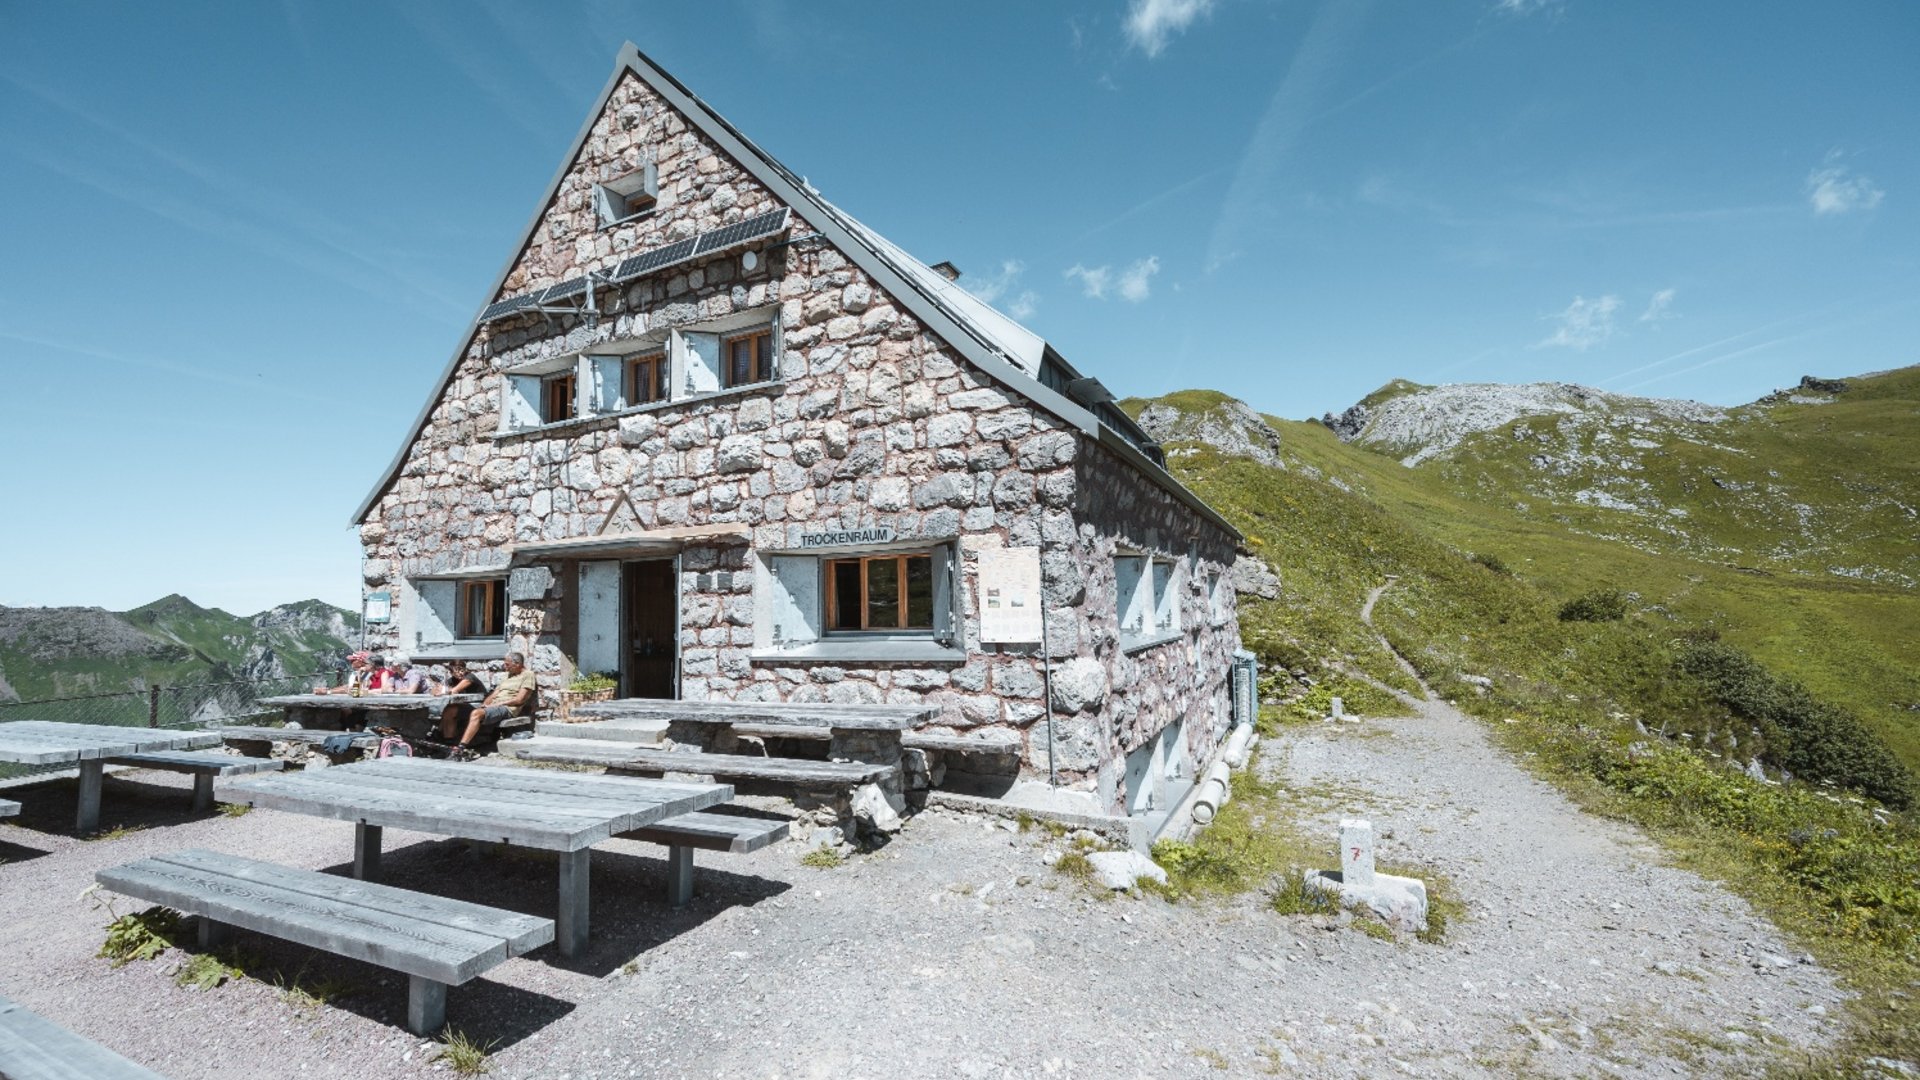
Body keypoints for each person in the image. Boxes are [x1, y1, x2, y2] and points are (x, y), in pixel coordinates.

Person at [440, 651, 537, 758]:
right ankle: (449, 744)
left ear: (517, 664)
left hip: (507, 708)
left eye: (507, 665)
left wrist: (498, 704)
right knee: (451, 709)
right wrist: (484, 704)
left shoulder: (528, 675)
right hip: (494, 706)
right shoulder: (508, 675)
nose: (505, 667)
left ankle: (461, 748)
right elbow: (494, 694)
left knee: (477, 714)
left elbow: (519, 700)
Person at [430, 659, 488, 733]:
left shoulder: (469, 677)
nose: (460, 673)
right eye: (456, 671)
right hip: (465, 705)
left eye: (462, 670)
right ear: (451, 673)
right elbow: (434, 691)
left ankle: (448, 738)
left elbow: (453, 690)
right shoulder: (452, 680)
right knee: (448, 709)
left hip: (480, 705)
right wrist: (437, 688)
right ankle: (439, 733)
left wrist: (444, 690)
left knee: (450, 710)